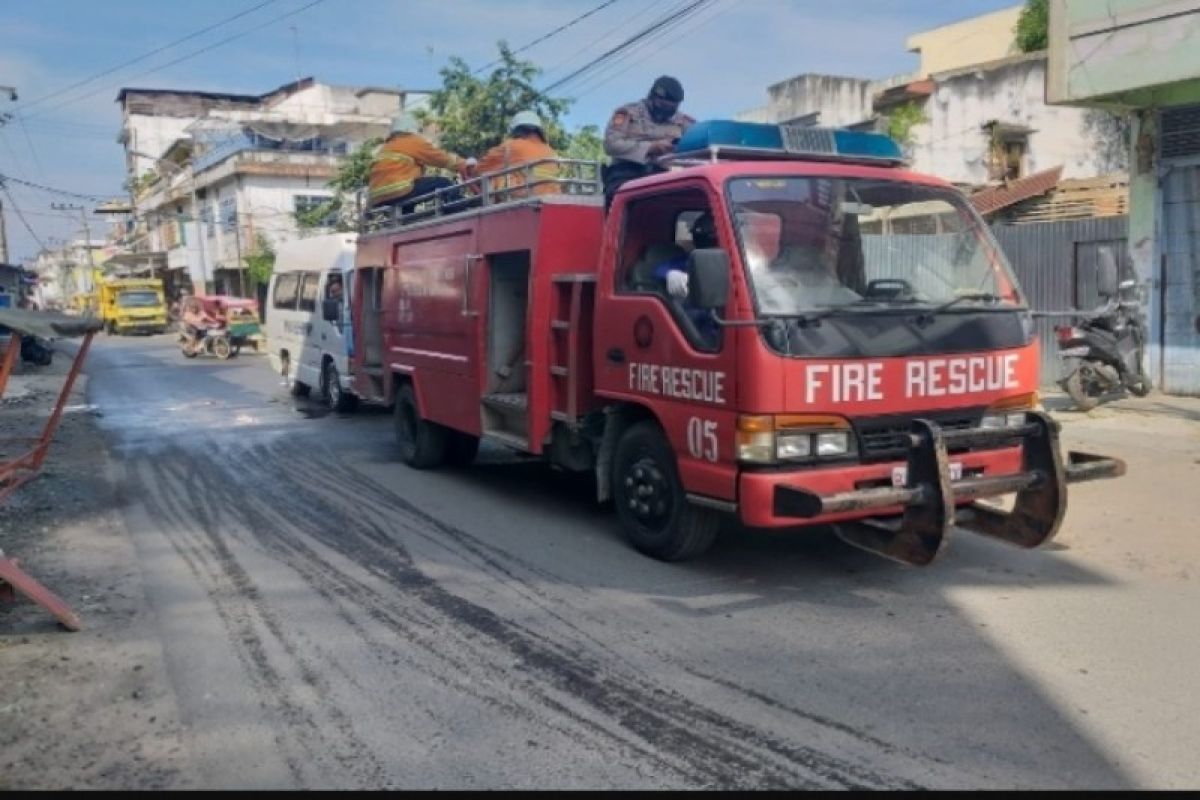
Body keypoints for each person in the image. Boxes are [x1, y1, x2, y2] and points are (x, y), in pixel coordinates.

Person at [603, 76, 695, 210]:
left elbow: (700, 142)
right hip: (626, 173)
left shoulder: (683, 122)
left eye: (670, 109)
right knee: (621, 202)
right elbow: (611, 144)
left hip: (662, 174)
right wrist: (650, 148)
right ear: (652, 97)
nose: (664, 113)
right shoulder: (627, 113)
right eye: (661, 106)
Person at [367, 113, 471, 216]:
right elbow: (439, 158)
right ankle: (458, 212)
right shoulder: (410, 141)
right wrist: (463, 163)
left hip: (379, 198)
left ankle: (407, 221)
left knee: (407, 207)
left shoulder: (385, 148)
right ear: (410, 128)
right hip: (400, 189)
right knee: (444, 183)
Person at [652, 211, 721, 346]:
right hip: (694, 330)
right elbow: (658, 270)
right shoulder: (686, 260)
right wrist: (670, 274)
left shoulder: (735, 262)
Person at [472, 111, 561, 200]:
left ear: (516, 130)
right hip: (553, 201)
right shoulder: (551, 152)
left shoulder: (511, 146)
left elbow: (479, 170)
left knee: (495, 176)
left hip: (525, 201)